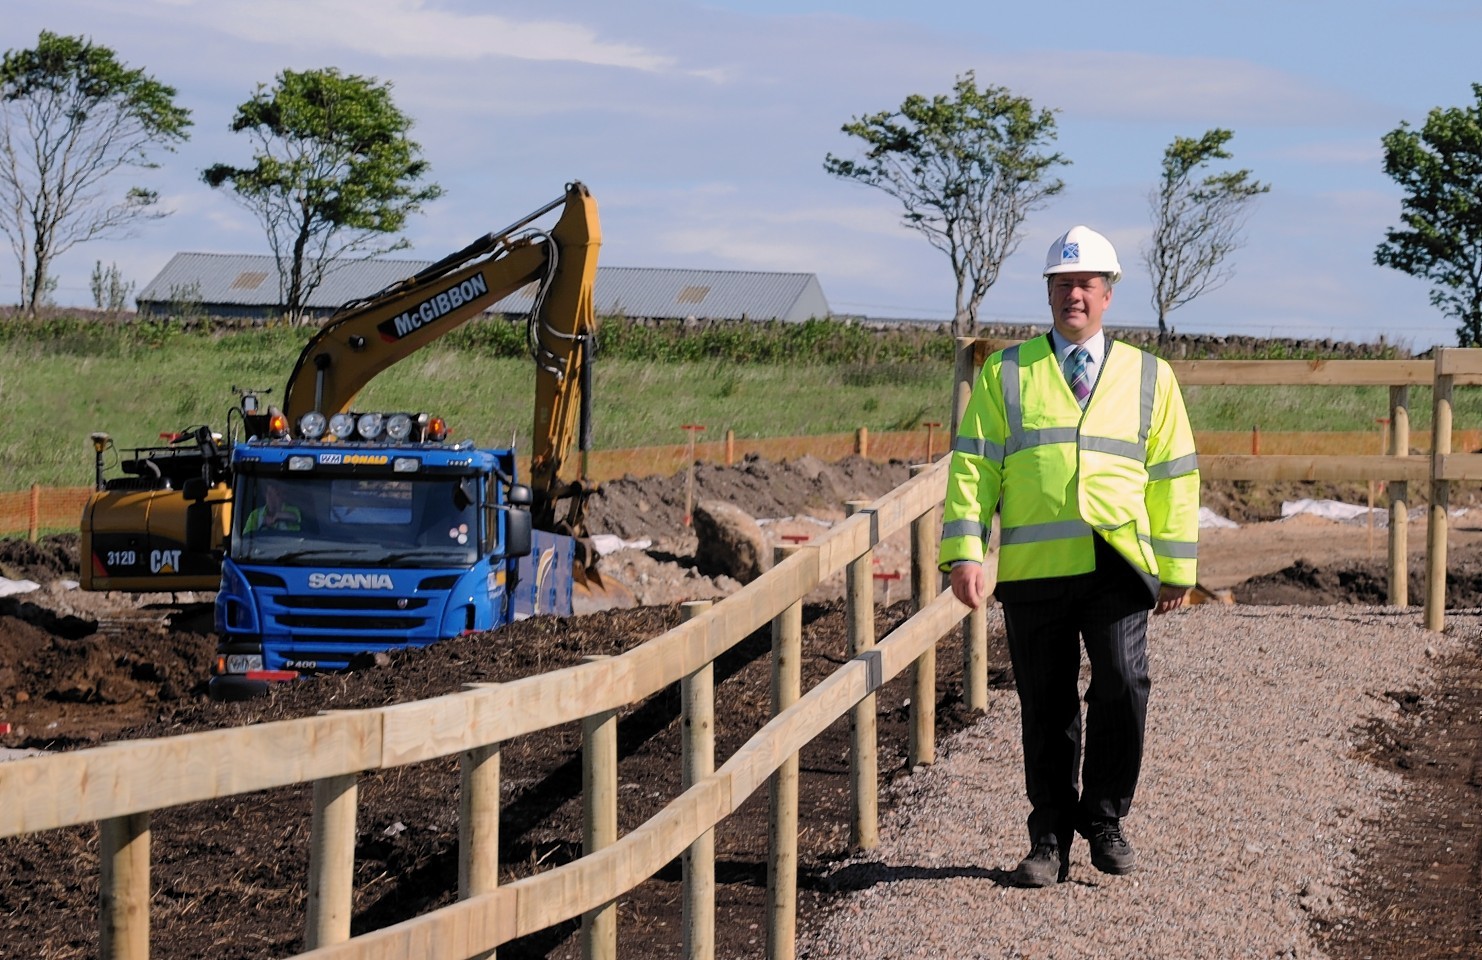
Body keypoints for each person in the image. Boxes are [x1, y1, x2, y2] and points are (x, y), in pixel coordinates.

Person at [938, 225, 1200, 888]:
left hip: (1117, 562)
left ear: (1108, 295)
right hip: (1033, 570)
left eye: (1085, 284)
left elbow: (1174, 475)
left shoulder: (1151, 377)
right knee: (1046, 706)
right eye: (1062, 284)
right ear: (1049, 293)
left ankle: (1105, 818)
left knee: (1124, 683)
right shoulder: (1006, 373)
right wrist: (966, 552)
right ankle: (1049, 837)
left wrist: (1176, 567)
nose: (1073, 296)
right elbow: (974, 468)